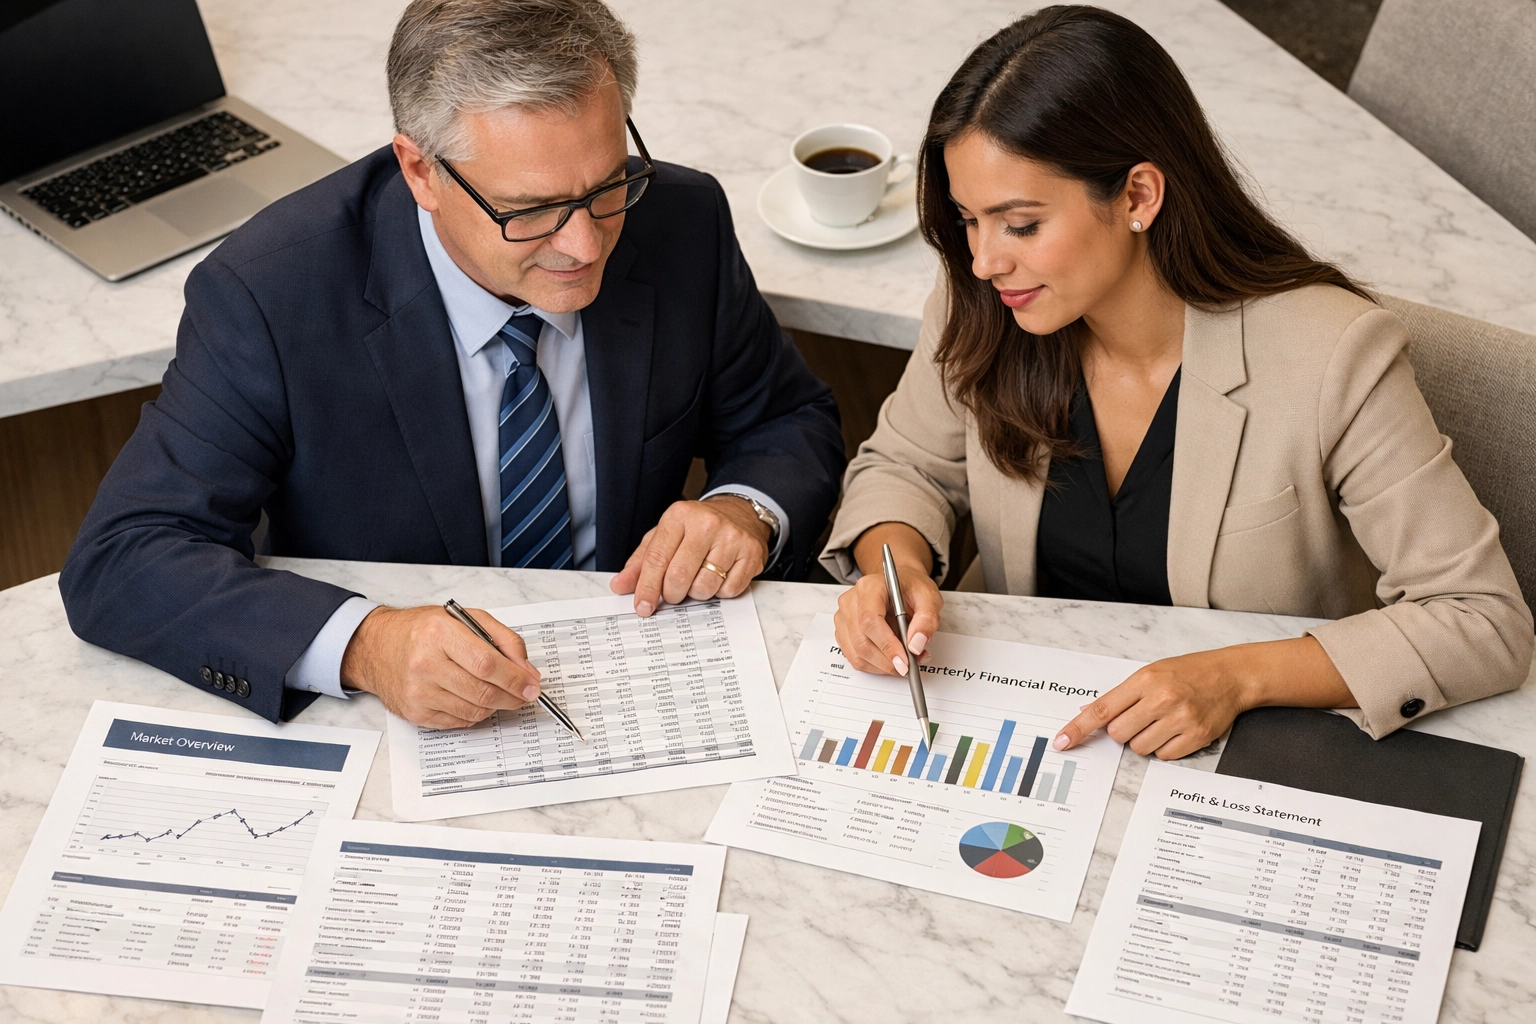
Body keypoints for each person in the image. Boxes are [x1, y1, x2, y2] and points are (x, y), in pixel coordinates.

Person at [59, 0, 845, 730]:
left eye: (607, 187)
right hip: (391, 720)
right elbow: (126, 553)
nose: (584, 244)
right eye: (530, 210)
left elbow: (786, 418)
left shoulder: (683, 217)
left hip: (634, 674)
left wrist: (745, 509)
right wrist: (366, 644)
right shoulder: (272, 292)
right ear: (420, 171)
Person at [824, 5, 1532, 759]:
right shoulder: (986, 306)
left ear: (1137, 196)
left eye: (1020, 224)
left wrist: (1239, 677)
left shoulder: (1332, 354)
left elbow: (1480, 617)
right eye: (968, 220)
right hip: (1040, 735)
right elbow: (904, 467)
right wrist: (891, 575)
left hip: (1244, 760)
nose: (984, 260)